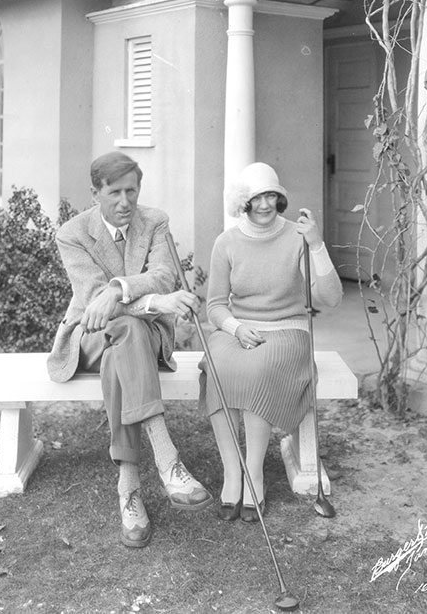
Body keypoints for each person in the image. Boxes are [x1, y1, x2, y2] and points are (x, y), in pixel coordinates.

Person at [47, 151, 212, 549]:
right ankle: (166, 457)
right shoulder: (73, 233)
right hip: (88, 336)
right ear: (95, 193)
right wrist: (157, 303)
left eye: (132, 191)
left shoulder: (154, 222)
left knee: (128, 331)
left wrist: (119, 290)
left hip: (138, 339)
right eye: (115, 192)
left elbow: (162, 274)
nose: (125, 202)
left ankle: (129, 489)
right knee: (125, 328)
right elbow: (92, 303)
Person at [200, 162, 342, 522]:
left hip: (288, 330)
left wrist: (317, 244)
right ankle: (234, 474)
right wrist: (234, 328)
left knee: (258, 370)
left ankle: (255, 473)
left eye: (272, 196)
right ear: (242, 203)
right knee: (217, 367)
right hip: (239, 329)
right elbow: (215, 305)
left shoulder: (298, 235)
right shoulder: (227, 242)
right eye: (256, 197)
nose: (264, 204)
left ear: (281, 199)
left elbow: (331, 299)